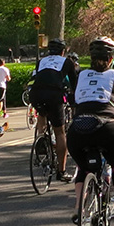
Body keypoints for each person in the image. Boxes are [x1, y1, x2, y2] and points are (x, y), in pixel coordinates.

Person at [67, 37, 114, 222]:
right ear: (111, 59)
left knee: (83, 167)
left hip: (78, 129)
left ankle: (78, 206)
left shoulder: (80, 75)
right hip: (109, 128)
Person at [31, 39, 80, 180]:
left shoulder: (41, 61)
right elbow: (74, 84)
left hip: (36, 93)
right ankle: (61, 171)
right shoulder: (67, 62)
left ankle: (41, 138)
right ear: (63, 51)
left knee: (42, 113)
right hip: (53, 94)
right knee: (60, 132)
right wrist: (75, 100)